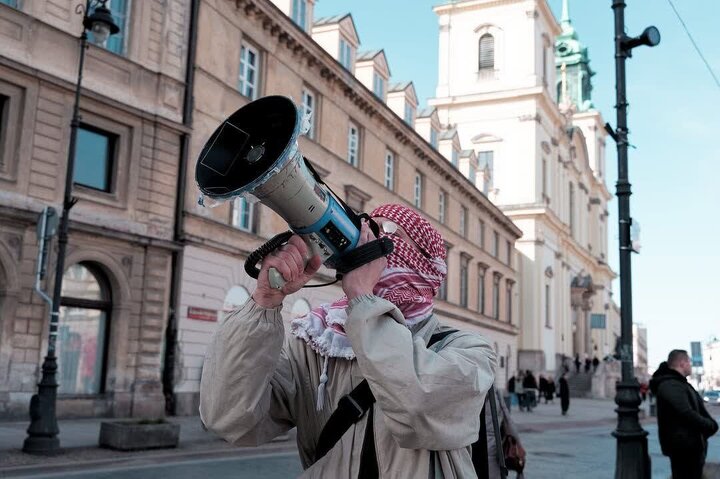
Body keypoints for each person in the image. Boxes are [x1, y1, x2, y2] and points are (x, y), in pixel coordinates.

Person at [199, 204, 498, 477]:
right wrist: (264, 300)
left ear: (425, 264)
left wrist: (363, 300)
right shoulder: (316, 343)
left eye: (388, 235)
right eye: (368, 233)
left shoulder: (467, 350)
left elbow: (418, 408)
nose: (372, 248)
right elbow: (230, 420)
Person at [650, 349, 718, 479]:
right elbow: (686, 413)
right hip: (683, 448)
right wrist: (710, 425)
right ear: (682, 363)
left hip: (688, 447)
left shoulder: (679, 383)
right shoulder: (671, 385)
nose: (690, 365)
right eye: (689, 362)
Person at [482, 386, 526, 479]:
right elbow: (508, 421)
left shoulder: (470, 392)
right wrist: (518, 442)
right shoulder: (494, 392)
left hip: (472, 444)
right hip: (492, 445)